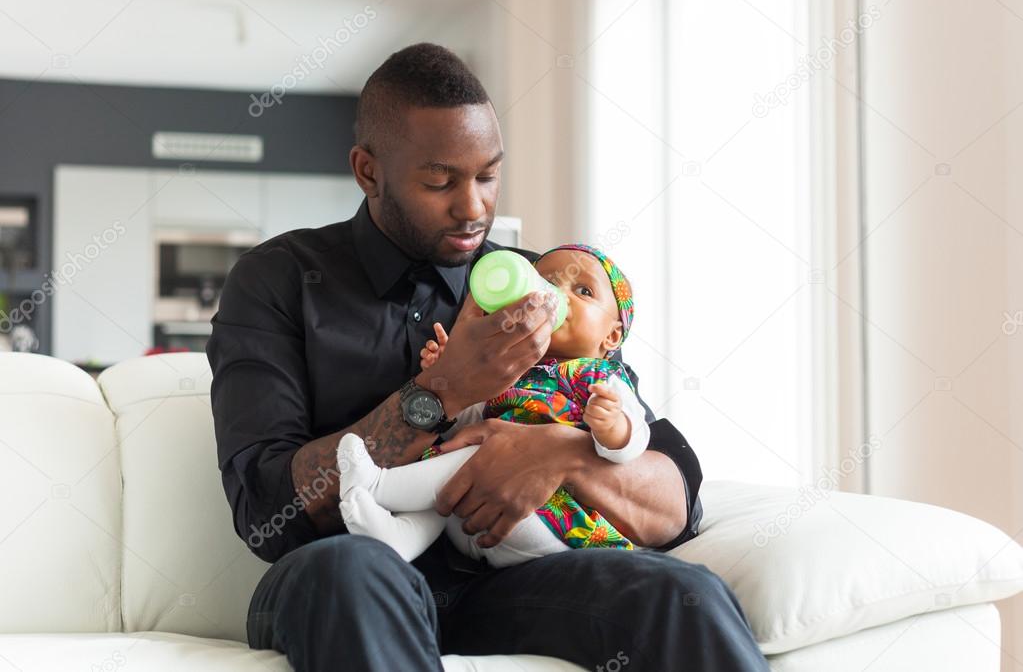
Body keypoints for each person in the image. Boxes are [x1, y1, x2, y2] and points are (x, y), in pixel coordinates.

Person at [207, 42, 769, 672]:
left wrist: (560, 452)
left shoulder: (540, 285)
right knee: (352, 570)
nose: (474, 208)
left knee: (684, 595)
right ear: (369, 172)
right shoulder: (277, 280)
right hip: (349, 571)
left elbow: (676, 499)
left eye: (488, 175)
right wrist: (442, 390)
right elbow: (265, 510)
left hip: (512, 579)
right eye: (440, 180)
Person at [337, 243, 654, 566]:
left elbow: (636, 440)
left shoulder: (599, 376)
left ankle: (378, 485)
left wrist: (613, 427)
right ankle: (400, 538)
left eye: (583, 290)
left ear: (612, 337)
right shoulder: (510, 367)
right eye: (546, 283)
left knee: (488, 454)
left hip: (549, 518)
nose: (556, 296)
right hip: (470, 520)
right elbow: (467, 425)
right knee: (453, 453)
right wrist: (448, 374)